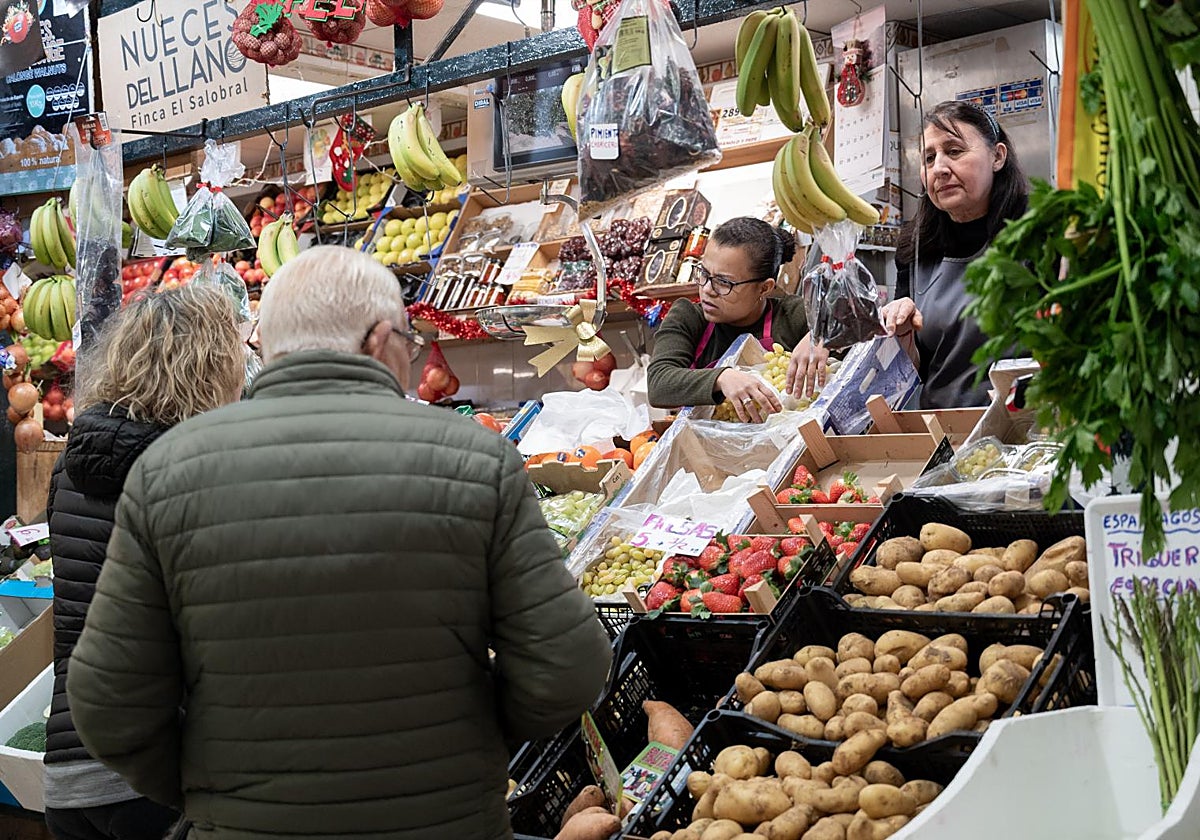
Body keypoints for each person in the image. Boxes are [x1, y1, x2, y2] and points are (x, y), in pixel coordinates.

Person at [67, 245, 614, 840]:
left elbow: (107, 704)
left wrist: (213, 788)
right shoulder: (479, 462)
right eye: (409, 342)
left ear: (269, 346)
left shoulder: (167, 470)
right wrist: (470, 741)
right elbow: (569, 668)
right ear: (381, 341)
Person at [44, 285, 247, 840]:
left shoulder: (71, 464)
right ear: (210, 370)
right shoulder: (190, 472)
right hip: (154, 774)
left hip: (68, 772)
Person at [787, 101, 1029, 409]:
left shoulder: (1037, 227)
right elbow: (915, 369)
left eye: (954, 151)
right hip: (941, 431)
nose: (939, 168)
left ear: (997, 156)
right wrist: (902, 336)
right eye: (929, 158)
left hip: (1026, 426)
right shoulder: (916, 246)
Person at [647, 217, 808, 422]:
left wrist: (822, 338)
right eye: (704, 273)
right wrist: (722, 378)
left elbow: (854, 331)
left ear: (764, 287)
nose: (706, 290)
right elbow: (659, 384)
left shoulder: (792, 315)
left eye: (723, 282)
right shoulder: (688, 317)